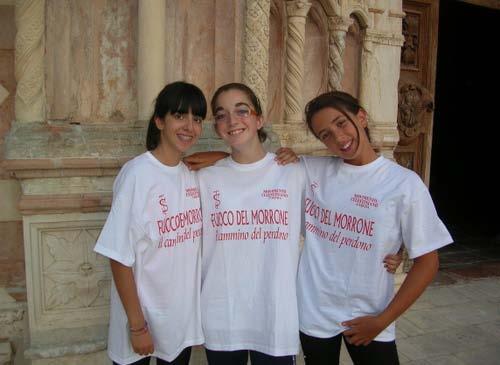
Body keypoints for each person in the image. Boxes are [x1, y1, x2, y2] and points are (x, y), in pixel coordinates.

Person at [296, 91, 453, 365]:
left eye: (341, 123)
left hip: (370, 314)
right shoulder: (312, 171)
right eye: (325, 135)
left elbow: (428, 262)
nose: (338, 138)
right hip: (314, 312)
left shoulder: (403, 183)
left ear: (361, 116)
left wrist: (382, 320)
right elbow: (253, 165)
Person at [94, 81, 208, 365]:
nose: (189, 126)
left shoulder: (190, 174)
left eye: (197, 119)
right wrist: (137, 326)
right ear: (159, 121)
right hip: (141, 324)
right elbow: (119, 257)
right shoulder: (137, 175)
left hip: (178, 326)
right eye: (179, 116)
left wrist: (226, 155)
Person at [197, 83, 306, 365]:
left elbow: (333, 214)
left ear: (259, 119)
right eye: (221, 115)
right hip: (223, 315)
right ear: (216, 127)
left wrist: (392, 247)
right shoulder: (204, 178)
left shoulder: (293, 172)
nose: (232, 121)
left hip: (274, 317)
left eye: (242, 110)